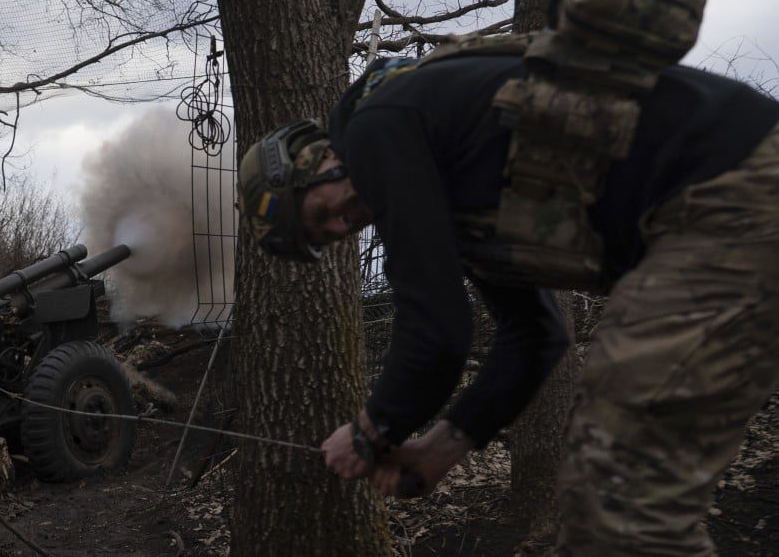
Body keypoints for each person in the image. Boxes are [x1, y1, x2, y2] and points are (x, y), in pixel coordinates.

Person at [237, 49, 779, 555]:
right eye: (327, 237)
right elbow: (536, 336)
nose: (340, 225)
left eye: (319, 214)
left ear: (319, 158)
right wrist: (440, 449)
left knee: (620, 494)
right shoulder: (449, 183)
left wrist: (368, 432)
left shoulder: (376, 127)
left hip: (731, 191)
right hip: (730, 200)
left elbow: (436, 334)